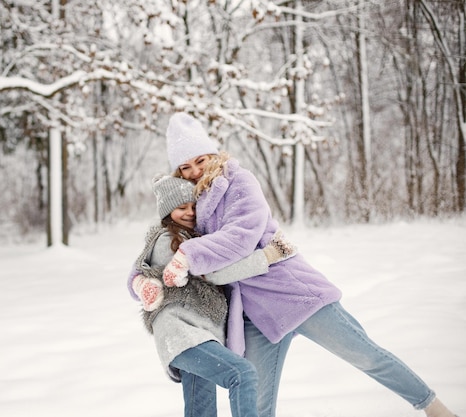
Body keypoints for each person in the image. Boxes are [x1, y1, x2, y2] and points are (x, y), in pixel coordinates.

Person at [158, 111, 457, 417]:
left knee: (367, 357)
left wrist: (191, 256)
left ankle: (433, 407)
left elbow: (241, 237)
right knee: (256, 406)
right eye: (185, 166)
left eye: (200, 160)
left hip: (294, 295)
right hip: (256, 316)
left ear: (213, 154)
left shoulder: (239, 182)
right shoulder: (193, 207)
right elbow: (210, 269)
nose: (194, 170)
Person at [129, 174, 296, 417]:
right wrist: (268, 256)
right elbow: (215, 272)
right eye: (181, 208)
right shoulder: (168, 241)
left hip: (201, 336)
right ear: (167, 212)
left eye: (194, 207)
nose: (190, 213)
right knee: (242, 374)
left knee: (201, 411)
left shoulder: (197, 239)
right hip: (183, 334)